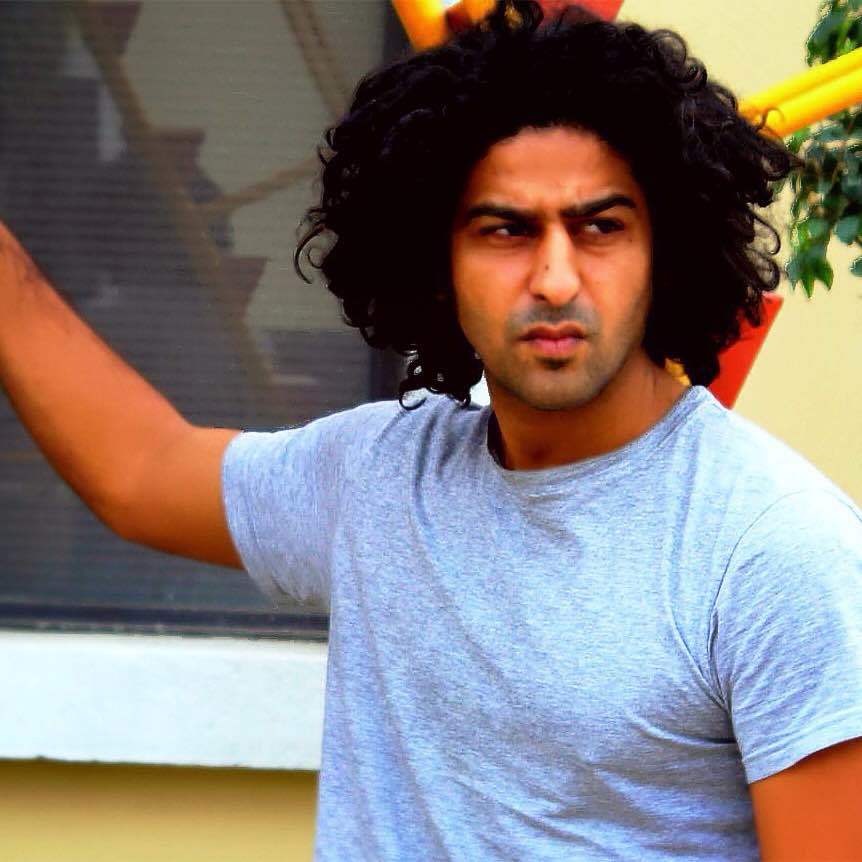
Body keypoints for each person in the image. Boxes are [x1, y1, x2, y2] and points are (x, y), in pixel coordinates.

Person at [1, 0, 860, 858]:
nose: (555, 278)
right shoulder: (383, 476)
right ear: (435, 261)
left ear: (663, 254)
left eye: (600, 227)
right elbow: (143, 470)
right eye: (505, 230)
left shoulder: (776, 549)